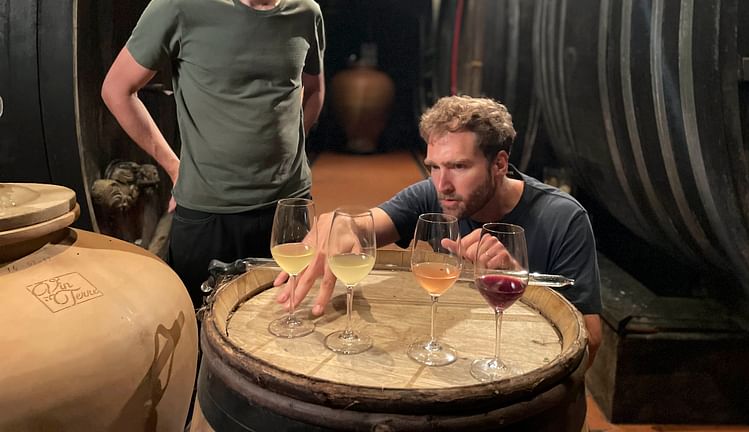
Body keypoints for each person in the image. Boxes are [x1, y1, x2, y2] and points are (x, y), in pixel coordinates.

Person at [276, 95, 603, 366]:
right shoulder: (431, 196)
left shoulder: (562, 217)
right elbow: (366, 225)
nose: (442, 184)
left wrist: (513, 280)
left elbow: (590, 340)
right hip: (458, 358)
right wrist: (340, 224)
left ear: (500, 164)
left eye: (459, 166)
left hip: (522, 369)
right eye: (434, 167)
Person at [101, 0, 325, 308]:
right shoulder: (179, 7)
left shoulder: (306, 11)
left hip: (289, 206)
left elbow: (313, 90)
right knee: (202, 324)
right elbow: (117, 89)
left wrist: (288, 147)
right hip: (211, 212)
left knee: (286, 317)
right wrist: (174, 167)